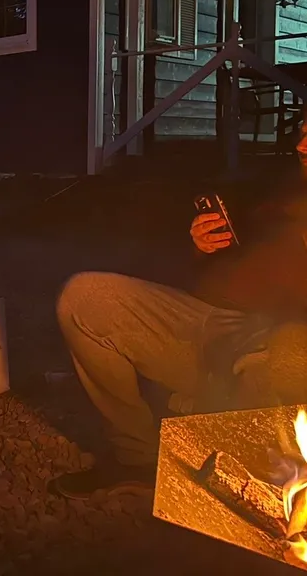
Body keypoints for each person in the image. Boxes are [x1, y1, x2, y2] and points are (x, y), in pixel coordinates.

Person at [51, 113, 307, 500]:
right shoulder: (278, 184)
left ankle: (234, 454)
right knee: (84, 299)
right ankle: (137, 458)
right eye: (303, 133)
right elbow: (224, 254)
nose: (301, 146)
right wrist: (200, 243)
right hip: (202, 319)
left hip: (271, 342)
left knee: (290, 350)